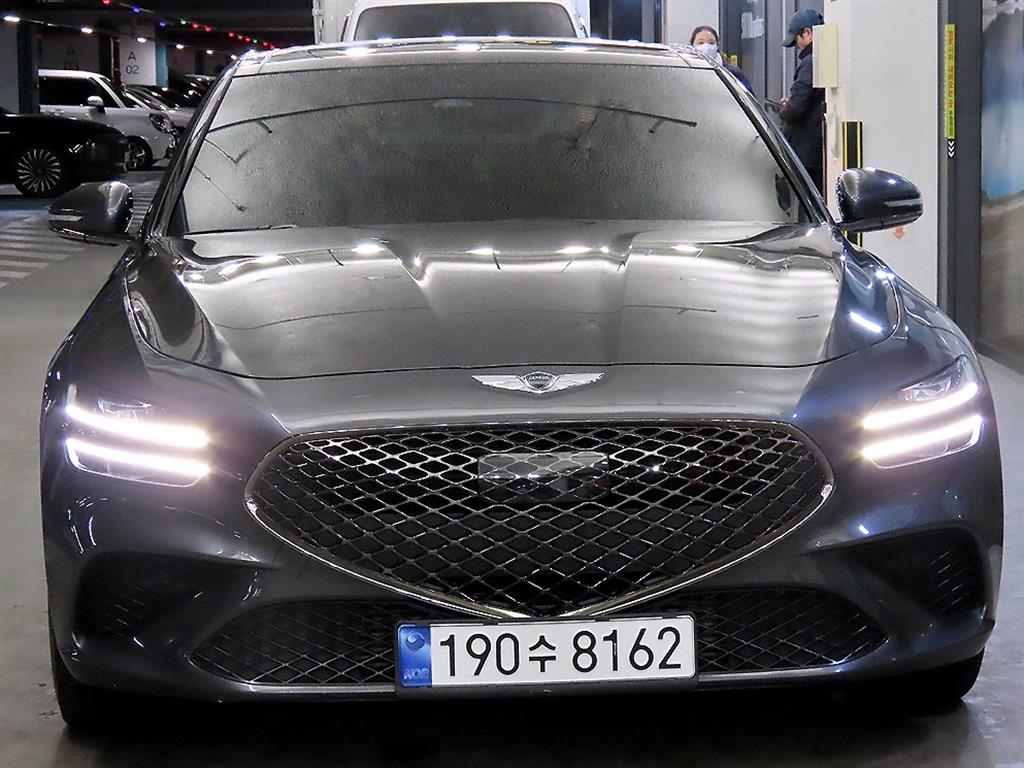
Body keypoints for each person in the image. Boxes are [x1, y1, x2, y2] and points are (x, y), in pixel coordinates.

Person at [778, 8, 826, 193]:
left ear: (807, 33)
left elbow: (796, 108)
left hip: (806, 152)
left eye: (796, 39)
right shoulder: (825, 57)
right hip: (817, 151)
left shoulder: (810, 61)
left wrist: (784, 109)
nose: (798, 46)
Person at [689, 26, 752, 92]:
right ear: (692, 45)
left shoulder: (732, 72)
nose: (706, 46)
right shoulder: (687, 71)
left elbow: (747, 94)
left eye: (711, 43)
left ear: (717, 45)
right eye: (701, 43)